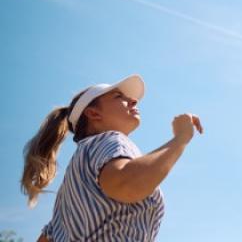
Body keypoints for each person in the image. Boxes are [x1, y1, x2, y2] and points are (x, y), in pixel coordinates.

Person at [21, 74, 203, 242]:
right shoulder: (110, 139)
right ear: (93, 113)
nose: (133, 100)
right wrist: (181, 138)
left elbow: (47, 237)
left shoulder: (72, 180)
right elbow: (128, 185)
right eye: (119, 97)